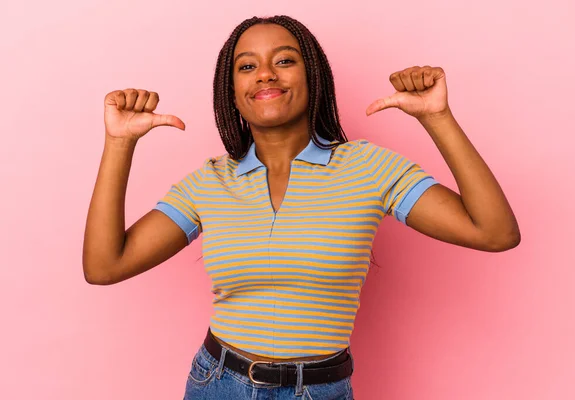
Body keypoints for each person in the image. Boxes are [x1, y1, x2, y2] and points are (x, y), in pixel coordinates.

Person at [83, 14, 520, 400]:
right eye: (247, 66)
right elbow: (104, 266)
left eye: (285, 60)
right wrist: (120, 143)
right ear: (231, 91)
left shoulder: (370, 167)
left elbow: (494, 232)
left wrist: (436, 117)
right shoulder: (210, 181)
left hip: (321, 391)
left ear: (313, 76)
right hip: (218, 384)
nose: (266, 75)